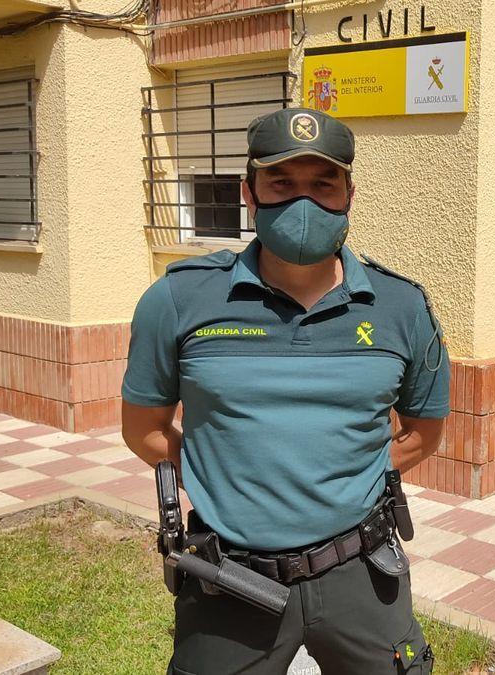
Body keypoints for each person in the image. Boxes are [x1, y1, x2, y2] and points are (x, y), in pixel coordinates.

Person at [121, 107, 449, 674]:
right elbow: (143, 428)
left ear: (349, 193)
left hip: (363, 571)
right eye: (281, 182)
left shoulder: (403, 307)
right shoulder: (178, 300)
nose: (304, 203)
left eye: (324, 184)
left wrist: (350, 474)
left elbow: (423, 433)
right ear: (249, 192)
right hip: (230, 577)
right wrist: (219, 470)